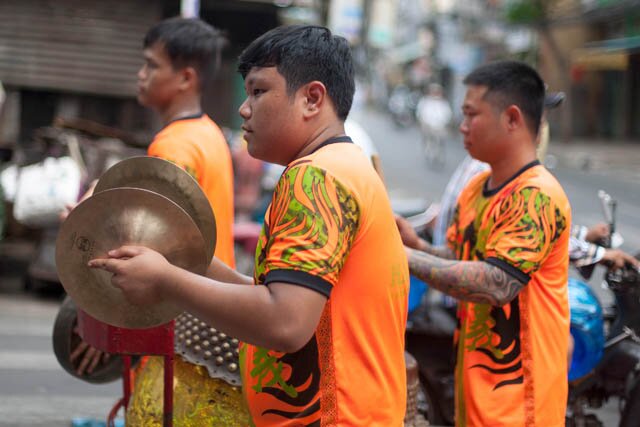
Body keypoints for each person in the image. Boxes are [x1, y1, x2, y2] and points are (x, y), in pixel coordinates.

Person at [90, 25, 409, 426]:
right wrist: (188, 262)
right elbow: (286, 302)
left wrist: (166, 281)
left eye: (258, 92)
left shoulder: (316, 178)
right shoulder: (343, 166)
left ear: (312, 98)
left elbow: (285, 323)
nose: (244, 107)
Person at [63, 17, 248, 425]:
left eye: (151, 65)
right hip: (213, 306)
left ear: (185, 78)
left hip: (183, 318)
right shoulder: (208, 132)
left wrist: (100, 315)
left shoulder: (172, 147)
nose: (140, 74)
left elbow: (147, 248)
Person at [396, 61, 571, 426]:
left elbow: (496, 283)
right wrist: (418, 246)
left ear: (511, 119)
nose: (461, 126)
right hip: (474, 396)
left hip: (521, 408)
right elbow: (462, 262)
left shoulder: (536, 195)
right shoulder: (477, 189)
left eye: (471, 114)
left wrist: (402, 256)